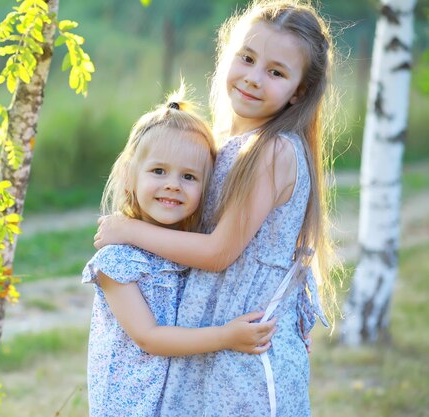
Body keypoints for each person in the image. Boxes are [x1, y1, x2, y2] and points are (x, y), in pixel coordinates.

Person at [94, 1, 337, 416]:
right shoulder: (227, 146)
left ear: (299, 90)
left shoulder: (272, 150)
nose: (253, 78)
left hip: (243, 354)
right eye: (247, 58)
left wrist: (126, 230)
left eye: (276, 72)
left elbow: (218, 252)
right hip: (214, 346)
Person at [82, 90, 278, 417]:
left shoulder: (194, 249)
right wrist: (226, 337)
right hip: (131, 407)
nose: (173, 184)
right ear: (130, 177)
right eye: (158, 171)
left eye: (188, 176)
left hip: (178, 401)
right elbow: (149, 338)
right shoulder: (117, 261)